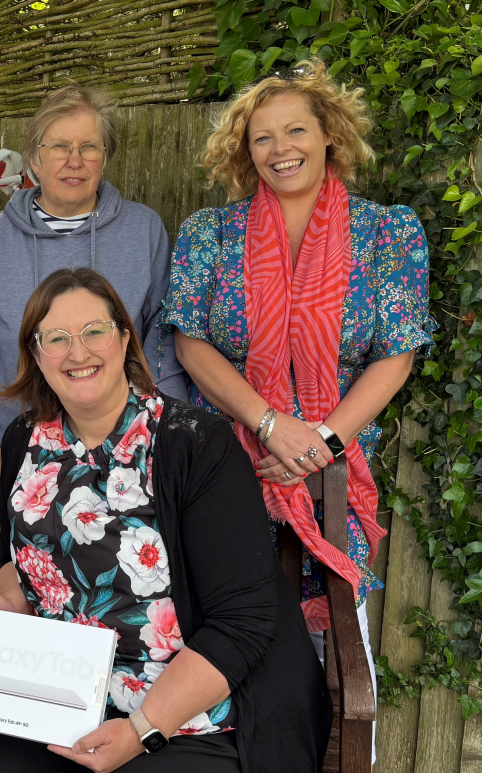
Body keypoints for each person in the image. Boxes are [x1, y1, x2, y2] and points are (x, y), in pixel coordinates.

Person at [0, 267, 331, 773]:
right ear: (36, 355)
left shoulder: (194, 444)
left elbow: (243, 623)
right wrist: (10, 604)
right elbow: (24, 565)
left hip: (192, 717)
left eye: (94, 332)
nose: (78, 352)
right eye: (56, 338)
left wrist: (139, 730)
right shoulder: (25, 439)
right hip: (65, 701)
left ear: (125, 337)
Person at [162, 58, 435, 753]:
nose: (281, 148)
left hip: (331, 479)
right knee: (225, 632)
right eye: (262, 137)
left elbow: (396, 354)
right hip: (227, 469)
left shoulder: (388, 234)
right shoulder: (208, 235)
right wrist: (269, 425)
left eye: (296, 130)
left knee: (340, 654)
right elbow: (192, 344)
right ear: (242, 149)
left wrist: (321, 443)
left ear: (329, 135)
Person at [0, 85, 186, 491]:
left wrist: (167, 425)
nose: (74, 161)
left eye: (89, 147)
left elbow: (163, 339)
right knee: (30, 555)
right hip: (21, 444)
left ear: (105, 157)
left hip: (128, 446)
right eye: (59, 146)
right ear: (34, 159)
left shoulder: (142, 230)